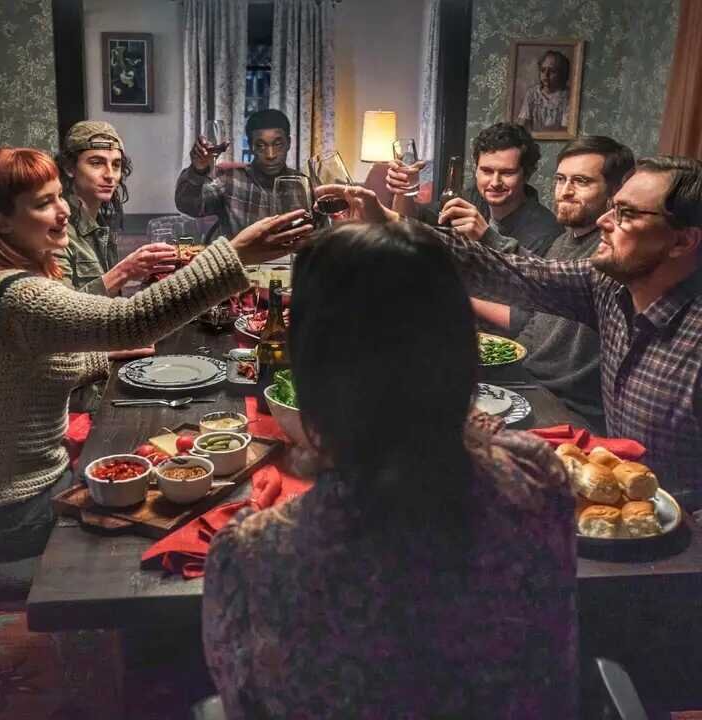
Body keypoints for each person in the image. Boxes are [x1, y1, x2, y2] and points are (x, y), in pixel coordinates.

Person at [202, 221, 578, 718]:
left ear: (312, 371)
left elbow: (241, 702)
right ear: (464, 351)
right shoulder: (537, 477)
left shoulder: (252, 555)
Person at [0, 147, 312, 564]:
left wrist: (106, 358)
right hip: (16, 513)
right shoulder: (17, 295)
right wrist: (235, 254)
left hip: (19, 498)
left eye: (58, 196)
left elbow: (31, 367)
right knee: (197, 503)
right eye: (44, 203)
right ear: (1, 223)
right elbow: (132, 319)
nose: (63, 210)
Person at [317, 154, 702, 509]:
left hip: (680, 534)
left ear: (682, 240)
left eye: (627, 214)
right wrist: (387, 221)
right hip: (608, 500)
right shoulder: (607, 284)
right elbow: (504, 270)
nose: (605, 221)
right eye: (613, 207)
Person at [470, 136, 635, 431]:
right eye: (560, 179)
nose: (565, 191)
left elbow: (533, 278)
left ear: (615, 192)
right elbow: (534, 321)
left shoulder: (611, 253)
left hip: (569, 406)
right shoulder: (562, 241)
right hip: (528, 379)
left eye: (581, 181)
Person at [388, 122, 561, 255]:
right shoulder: (471, 197)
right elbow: (408, 223)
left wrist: (486, 236)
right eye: (487, 171)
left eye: (507, 173)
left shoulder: (545, 231)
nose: (495, 182)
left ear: (527, 174)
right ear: (476, 169)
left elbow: (527, 283)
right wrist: (403, 190)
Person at [55, 120, 178, 296]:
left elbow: (109, 303)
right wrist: (124, 271)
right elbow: (62, 308)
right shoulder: (57, 228)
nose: (110, 175)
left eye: (116, 165)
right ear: (69, 167)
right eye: (96, 163)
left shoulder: (101, 226)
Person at [175, 109, 305, 241]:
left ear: (289, 143)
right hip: (240, 255)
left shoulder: (302, 184)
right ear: (251, 146)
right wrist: (198, 170)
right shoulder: (229, 180)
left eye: (278, 144)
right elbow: (188, 205)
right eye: (260, 146)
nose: (270, 155)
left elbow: (314, 234)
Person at [517, 50, 571, 133]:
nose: (546, 75)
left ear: (562, 74)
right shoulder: (532, 93)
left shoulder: (568, 96)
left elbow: (565, 128)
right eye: (543, 70)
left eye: (552, 71)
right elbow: (523, 122)